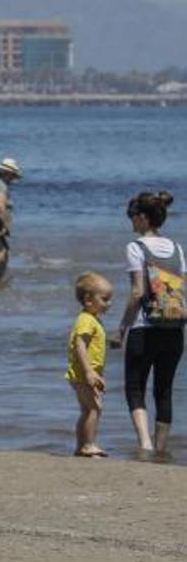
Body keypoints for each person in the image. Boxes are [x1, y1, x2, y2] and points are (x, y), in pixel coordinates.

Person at [109, 191, 185, 457]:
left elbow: (137, 293)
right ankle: (161, 448)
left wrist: (121, 329)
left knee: (135, 387)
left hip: (145, 328)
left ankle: (145, 444)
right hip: (175, 329)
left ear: (142, 218)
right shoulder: (177, 248)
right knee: (164, 390)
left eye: (133, 218)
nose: (131, 223)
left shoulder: (136, 247)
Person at [67, 271, 112, 458]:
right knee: (94, 408)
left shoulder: (92, 319)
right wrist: (88, 372)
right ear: (88, 300)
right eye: (105, 299)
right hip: (83, 373)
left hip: (86, 373)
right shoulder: (86, 320)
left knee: (87, 409)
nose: (109, 304)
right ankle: (88, 444)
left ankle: (81, 446)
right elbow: (80, 345)